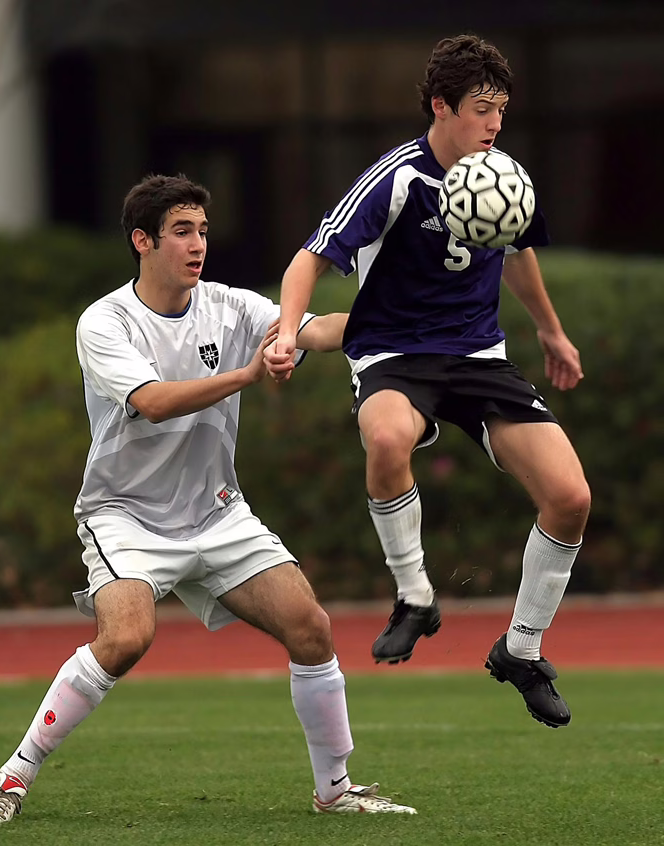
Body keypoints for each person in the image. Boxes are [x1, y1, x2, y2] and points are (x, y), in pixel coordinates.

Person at [0, 174, 417, 826]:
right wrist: (246, 373)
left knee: (311, 628)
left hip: (215, 510)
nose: (197, 243)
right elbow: (151, 403)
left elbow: (313, 329)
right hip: (125, 515)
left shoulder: (230, 306)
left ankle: (335, 790)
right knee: (125, 637)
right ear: (142, 241)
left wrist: (394, 325)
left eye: (203, 230)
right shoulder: (105, 320)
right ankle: (10, 777)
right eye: (182, 231)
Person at [266, 34, 590, 729]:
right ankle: (416, 597)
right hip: (393, 352)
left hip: (477, 355)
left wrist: (551, 331)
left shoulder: (502, 175)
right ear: (442, 107)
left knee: (570, 497)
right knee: (385, 439)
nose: (495, 123)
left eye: (501, 109)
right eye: (481, 108)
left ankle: (521, 651)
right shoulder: (396, 177)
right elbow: (306, 258)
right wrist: (288, 330)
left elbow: (517, 252)